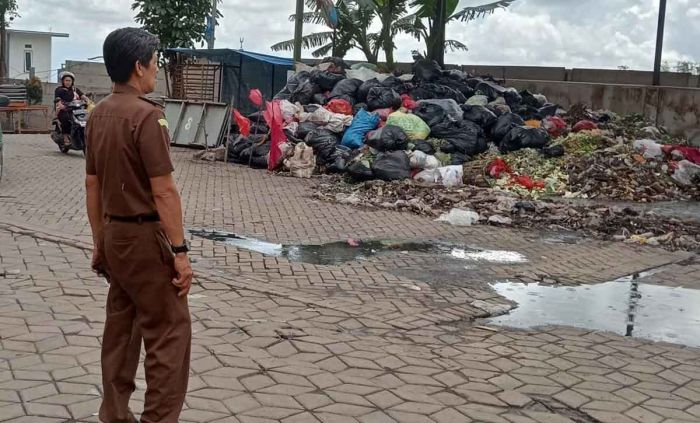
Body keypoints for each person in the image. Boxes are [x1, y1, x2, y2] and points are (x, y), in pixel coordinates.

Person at [85, 27, 193, 423]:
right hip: (147, 239)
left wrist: (100, 241)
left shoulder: (98, 115)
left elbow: (92, 184)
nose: (157, 69)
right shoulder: (148, 117)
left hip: (114, 234)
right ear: (137, 66)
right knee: (168, 334)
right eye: (155, 61)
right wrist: (180, 252)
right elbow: (164, 191)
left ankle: (113, 413)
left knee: (121, 330)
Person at [55, 72, 88, 146]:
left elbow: (82, 95)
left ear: (72, 81)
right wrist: (60, 104)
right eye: (66, 80)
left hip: (77, 108)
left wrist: (88, 100)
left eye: (69, 81)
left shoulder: (75, 89)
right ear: (63, 81)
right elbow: (57, 99)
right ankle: (65, 137)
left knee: (86, 117)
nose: (68, 82)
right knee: (65, 118)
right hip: (65, 109)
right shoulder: (59, 89)